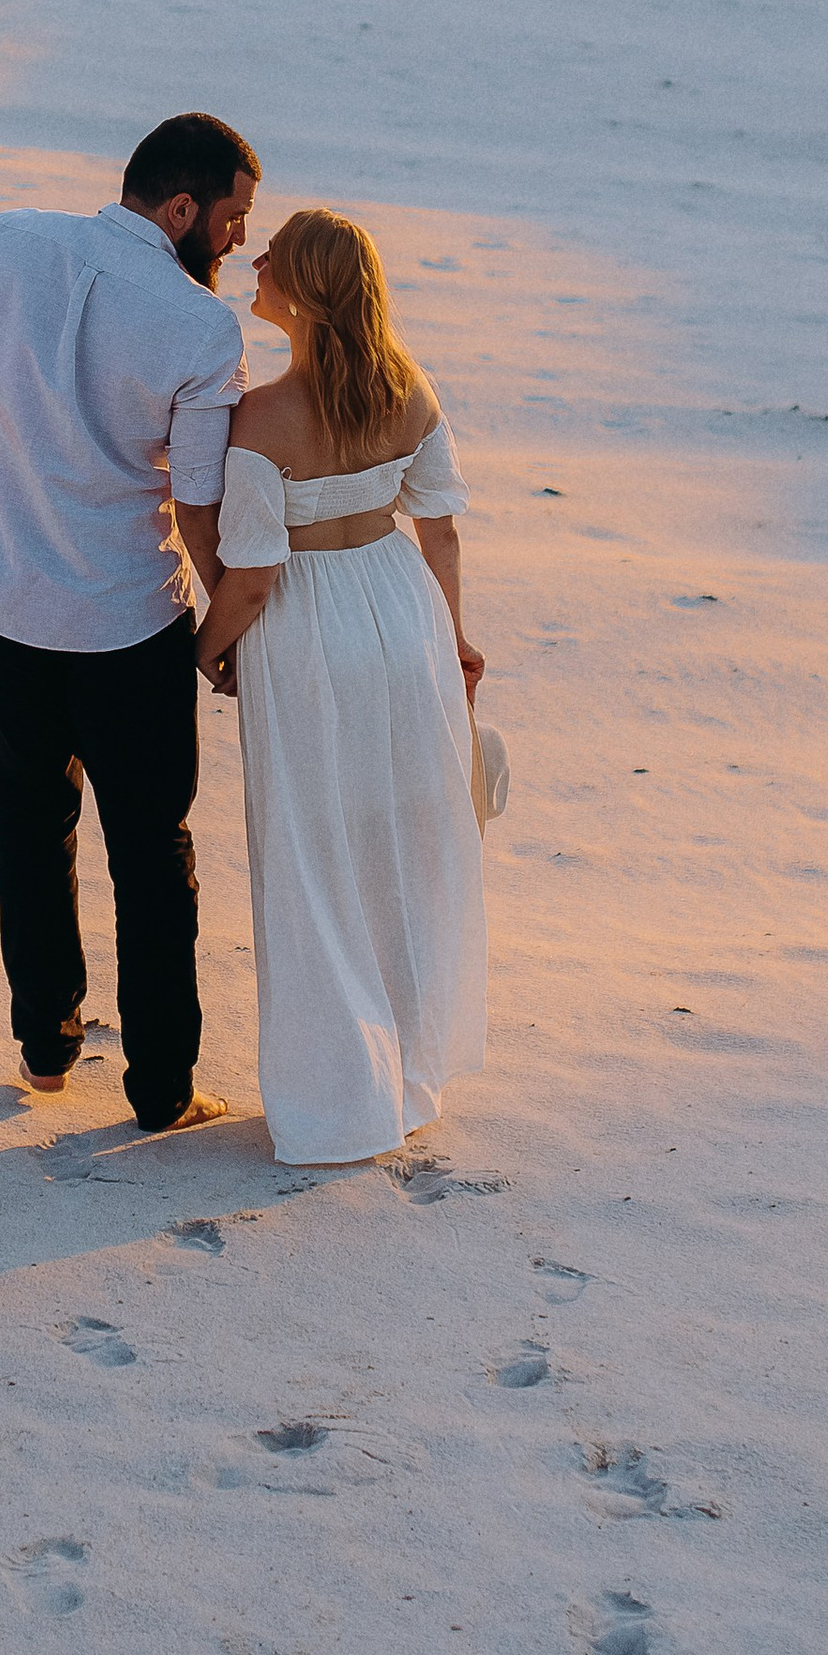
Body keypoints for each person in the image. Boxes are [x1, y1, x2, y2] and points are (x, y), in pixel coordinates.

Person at [0, 114, 260, 1131]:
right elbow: (200, 503)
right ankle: (161, 1091)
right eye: (230, 221)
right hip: (128, 623)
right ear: (180, 209)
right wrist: (225, 629)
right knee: (152, 853)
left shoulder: (5, 241)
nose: (236, 243)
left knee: (28, 830)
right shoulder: (204, 331)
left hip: (5, 605)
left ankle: (45, 1050)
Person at [192, 208, 487, 1166]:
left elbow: (255, 572)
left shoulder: (262, 415)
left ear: (307, 291)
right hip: (401, 620)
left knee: (312, 854)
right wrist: (450, 638)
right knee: (390, 839)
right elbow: (438, 527)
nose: (259, 258)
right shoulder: (409, 390)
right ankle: (402, 1076)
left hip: (310, 638)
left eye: (276, 253)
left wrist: (205, 651)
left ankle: (334, 1097)